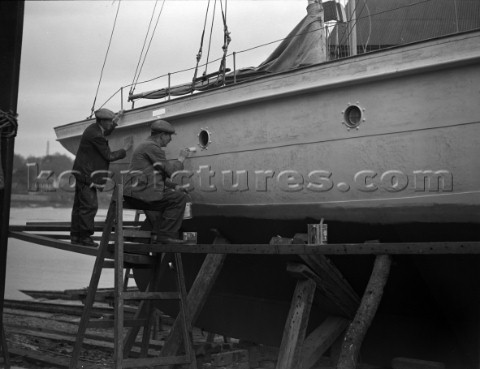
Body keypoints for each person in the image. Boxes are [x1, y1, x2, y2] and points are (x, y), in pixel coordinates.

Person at [70, 108, 132, 246]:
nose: (110, 123)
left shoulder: (94, 128)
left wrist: (116, 120)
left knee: (79, 206)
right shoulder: (96, 135)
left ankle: (76, 236)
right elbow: (109, 156)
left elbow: (106, 131)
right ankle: (85, 238)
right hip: (87, 175)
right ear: (102, 121)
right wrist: (125, 149)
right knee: (89, 206)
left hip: (82, 172)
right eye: (109, 121)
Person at [123, 119, 191, 244]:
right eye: (169, 136)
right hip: (140, 195)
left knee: (173, 195)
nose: (170, 139)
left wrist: (174, 186)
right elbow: (171, 172)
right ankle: (165, 235)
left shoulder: (146, 145)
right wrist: (181, 159)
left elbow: (154, 176)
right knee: (178, 199)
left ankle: (158, 233)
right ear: (161, 135)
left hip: (136, 193)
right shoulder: (152, 147)